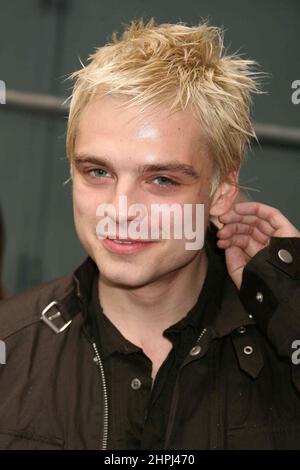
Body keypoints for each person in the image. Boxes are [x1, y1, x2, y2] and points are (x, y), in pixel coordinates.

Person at [0, 19, 300, 450]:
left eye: (161, 180)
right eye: (98, 172)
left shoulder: (284, 344)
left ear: (222, 190)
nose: (120, 211)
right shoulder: (10, 348)